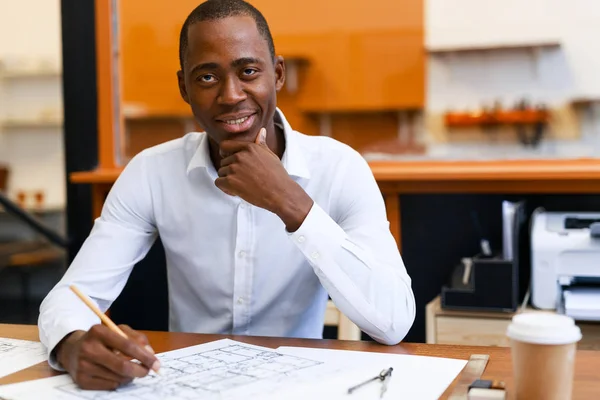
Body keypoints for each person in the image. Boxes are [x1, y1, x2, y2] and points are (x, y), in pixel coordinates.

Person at [39, 0, 416, 390]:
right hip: (186, 388)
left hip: (300, 387)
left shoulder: (340, 168)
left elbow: (392, 322)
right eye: (206, 78)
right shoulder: (152, 172)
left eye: (248, 71)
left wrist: (290, 203)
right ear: (184, 86)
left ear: (278, 74)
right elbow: (70, 297)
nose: (231, 95)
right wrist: (72, 346)